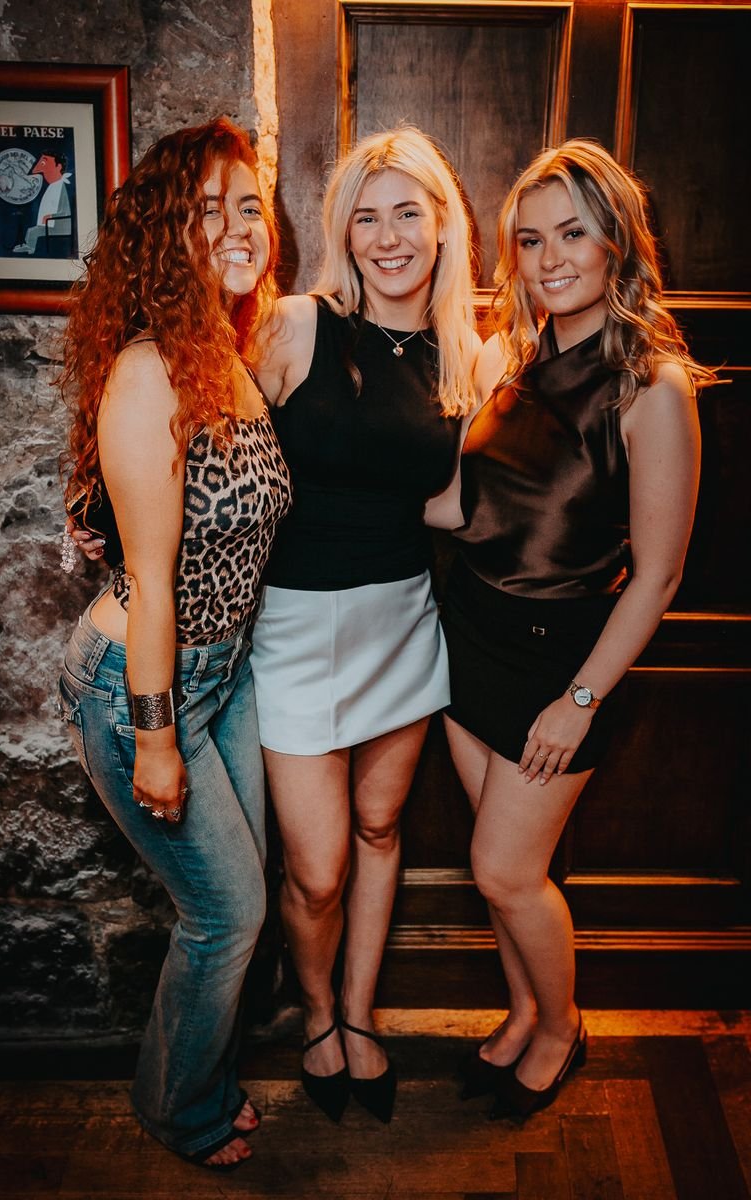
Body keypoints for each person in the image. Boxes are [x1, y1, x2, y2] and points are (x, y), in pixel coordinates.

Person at [430, 138, 712, 1121]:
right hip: (467, 634)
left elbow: (660, 573)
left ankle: (559, 1030)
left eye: (572, 235)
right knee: (511, 874)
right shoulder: (510, 358)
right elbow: (463, 511)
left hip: (561, 664)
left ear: (615, 246)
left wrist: (577, 701)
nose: (549, 258)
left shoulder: (653, 387)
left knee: (502, 871)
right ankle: (520, 1012)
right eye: (529, 239)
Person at [56, 117, 292, 1169]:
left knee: (244, 897)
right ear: (167, 232)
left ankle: (197, 1078)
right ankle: (179, 1110)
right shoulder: (152, 368)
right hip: (135, 683)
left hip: (218, 670)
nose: (238, 226)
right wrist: (153, 737)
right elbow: (151, 578)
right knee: (225, 912)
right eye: (209, 209)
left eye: (250, 205)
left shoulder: (228, 355)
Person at [250, 126, 480, 1123]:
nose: (387, 237)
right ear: (343, 228)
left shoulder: (467, 352)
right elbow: (219, 452)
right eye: (366, 214)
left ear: (441, 226)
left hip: (400, 618)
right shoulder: (300, 324)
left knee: (380, 827)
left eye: (407, 213)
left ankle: (358, 1012)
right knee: (317, 864)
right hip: (293, 629)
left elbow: (448, 509)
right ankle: (312, 1016)